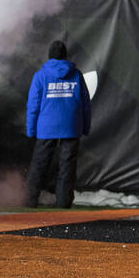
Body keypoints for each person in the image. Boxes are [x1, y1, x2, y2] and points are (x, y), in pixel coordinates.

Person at [24, 40, 92, 209]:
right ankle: (63, 203)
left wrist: (31, 130)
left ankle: (30, 200)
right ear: (65, 56)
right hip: (71, 126)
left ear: (49, 56)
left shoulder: (41, 76)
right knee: (67, 166)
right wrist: (85, 127)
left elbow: (33, 105)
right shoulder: (76, 74)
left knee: (39, 164)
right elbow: (85, 104)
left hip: (46, 127)